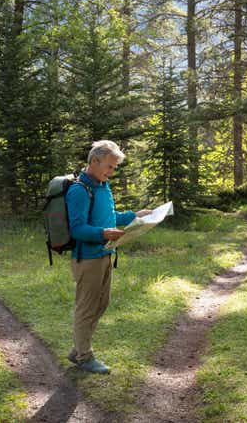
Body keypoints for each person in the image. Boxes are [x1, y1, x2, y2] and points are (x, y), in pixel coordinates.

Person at [65, 140, 151, 374]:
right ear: (95, 161)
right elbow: (77, 229)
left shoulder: (103, 186)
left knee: (101, 304)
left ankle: (78, 349)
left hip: (105, 254)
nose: (112, 172)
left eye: (114, 168)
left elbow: (111, 216)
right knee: (86, 308)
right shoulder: (79, 190)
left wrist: (136, 215)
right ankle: (84, 356)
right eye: (110, 167)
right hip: (88, 258)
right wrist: (103, 233)